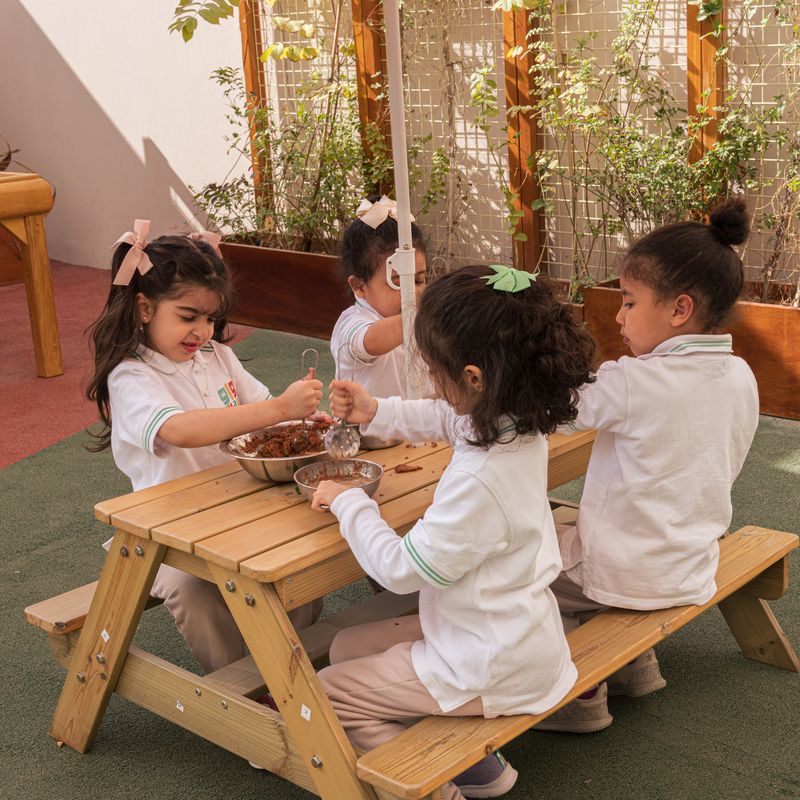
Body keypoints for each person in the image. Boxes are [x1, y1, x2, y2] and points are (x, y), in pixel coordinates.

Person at [312, 264, 596, 800]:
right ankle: (478, 768)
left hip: (487, 665)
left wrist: (349, 502)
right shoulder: (512, 423)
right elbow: (446, 419)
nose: (431, 384)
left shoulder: (481, 479)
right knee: (346, 645)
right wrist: (375, 410)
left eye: (433, 373)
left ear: (473, 379)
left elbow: (401, 571)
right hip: (510, 638)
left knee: (326, 693)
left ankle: (441, 787)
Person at [539, 197, 760, 734]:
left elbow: (544, 409)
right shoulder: (741, 375)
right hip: (690, 563)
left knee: (509, 561)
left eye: (629, 301)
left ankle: (580, 694)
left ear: (679, 309)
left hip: (627, 575)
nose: (619, 316)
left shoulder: (632, 382)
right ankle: (635, 666)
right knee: (564, 525)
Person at [86, 220, 324, 673]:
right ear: (143, 308)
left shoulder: (216, 356)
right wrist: (279, 409)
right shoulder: (132, 375)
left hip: (236, 508)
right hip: (166, 531)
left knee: (298, 556)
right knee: (193, 590)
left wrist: (304, 417)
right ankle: (240, 683)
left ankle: (294, 668)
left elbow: (263, 409)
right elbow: (179, 430)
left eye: (210, 318)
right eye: (188, 316)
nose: (203, 331)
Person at [330, 196, 428, 398]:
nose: (413, 292)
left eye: (419, 281)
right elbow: (371, 342)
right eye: (398, 283)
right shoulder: (351, 324)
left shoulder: (421, 320)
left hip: (416, 417)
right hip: (368, 419)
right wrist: (421, 315)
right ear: (359, 286)